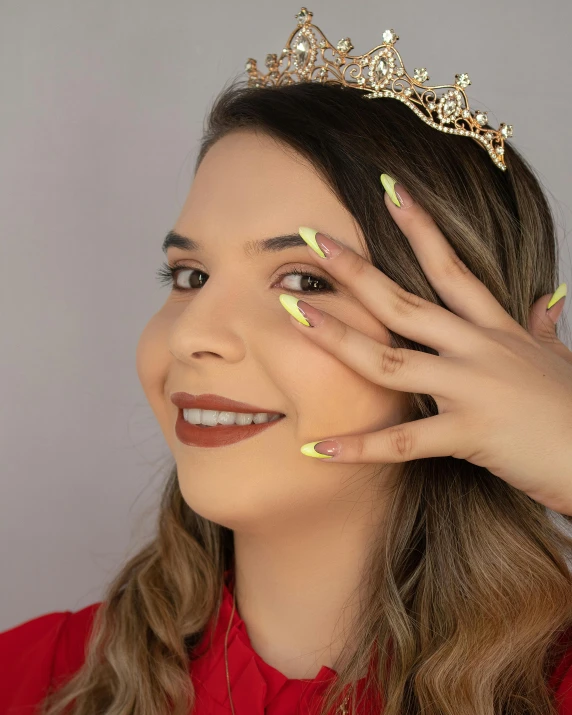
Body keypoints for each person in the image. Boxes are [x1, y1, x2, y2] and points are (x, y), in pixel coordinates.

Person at [3, 9, 572, 715]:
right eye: (189, 276)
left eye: (304, 280)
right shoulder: (32, 678)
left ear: (464, 345)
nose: (192, 336)